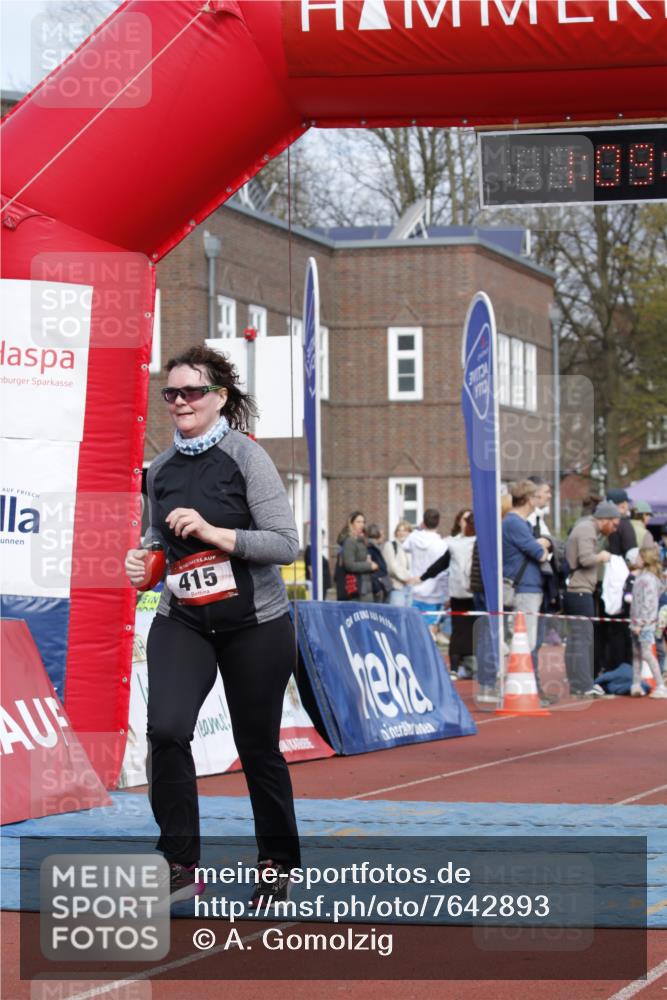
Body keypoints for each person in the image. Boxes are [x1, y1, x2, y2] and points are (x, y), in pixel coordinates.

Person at [124, 344, 300, 908]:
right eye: (170, 393)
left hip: (255, 624)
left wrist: (216, 532)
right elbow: (160, 541)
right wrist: (143, 562)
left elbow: (285, 544)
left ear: (219, 398)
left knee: (257, 746)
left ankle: (277, 861)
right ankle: (178, 863)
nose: (179, 402)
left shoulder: (247, 458)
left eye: (192, 392)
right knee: (167, 730)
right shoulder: (163, 469)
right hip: (184, 620)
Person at [563, 500, 621, 698]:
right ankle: (583, 684)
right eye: (614, 524)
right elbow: (585, 559)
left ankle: (577, 683)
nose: (614, 529)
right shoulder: (587, 529)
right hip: (579, 590)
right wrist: (602, 556)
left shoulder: (585, 527)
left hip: (576, 590)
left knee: (576, 639)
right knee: (582, 639)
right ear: (604, 520)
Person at [410, 511, 476, 678]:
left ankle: (464, 667)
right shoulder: (454, 543)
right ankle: (456, 667)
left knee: (469, 632)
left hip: (471, 593)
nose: (466, 522)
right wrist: (423, 577)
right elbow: (441, 564)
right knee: (461, 631)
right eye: (464, 519)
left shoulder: (469, 542)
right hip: (463, 594)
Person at [502, 480, 551, 654]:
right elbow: (540, 554)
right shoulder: (515, 524)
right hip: (524, 588)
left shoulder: (518, 523)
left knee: (524, 640)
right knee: (524, 641)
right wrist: (543, 544)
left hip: (525, 586)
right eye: (537, 497)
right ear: (530, 499)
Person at [402, 508, 449, 633]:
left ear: (423, 521)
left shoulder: (414, 538)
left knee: (414, 629)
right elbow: (443, 569)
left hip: (416, 590)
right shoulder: (442, 544)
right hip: (434, 592)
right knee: (430, 630)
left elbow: (404, 547)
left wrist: (418, 529)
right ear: (438, 522)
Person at [629, 546, 667, 699]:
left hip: (645, 624)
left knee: (646, 653)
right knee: (636, 654)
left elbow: (649, 604)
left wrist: (641, 623)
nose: (635, 560)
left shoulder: (649, 580)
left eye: (638, 557)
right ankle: (636, 684)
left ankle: (660, 685)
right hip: (635, 621)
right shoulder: (641, 577)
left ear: (644, 559)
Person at [335, 511, 377, 602]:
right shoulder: (350, 541)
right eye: (358, 522)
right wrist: (369, 566)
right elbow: (349, 565)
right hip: (356, 588)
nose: (362, 524)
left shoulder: (361, 540)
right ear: (351, 523)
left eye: (363, 522)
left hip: (365, 586)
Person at [383, 520, 413, 606]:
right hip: (397, 588)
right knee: (397, 617)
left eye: (405, 530)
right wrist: (407, 578)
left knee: (409, 617)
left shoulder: (412, 548)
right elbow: (392, 567)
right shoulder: (390, 545)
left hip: (411, 588)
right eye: (399, 530)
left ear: (410, 533)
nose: (401, 533)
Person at [366, 524, 392, 603]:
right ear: (376, 534)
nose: (384, 536)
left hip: (384, 586)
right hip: (379, 587)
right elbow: (369, 568)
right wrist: (377, 586)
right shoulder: (369, 548)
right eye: (382, 534)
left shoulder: (377, 547)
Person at [304, 529, 332, 597]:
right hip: (318, 585)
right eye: (322, 537)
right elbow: (311, 567)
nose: (323, 540)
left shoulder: (316, 550)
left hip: (322, 584)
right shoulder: (310, 549)